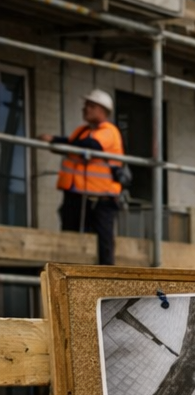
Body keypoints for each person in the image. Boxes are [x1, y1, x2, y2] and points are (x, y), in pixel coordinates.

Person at [49, 88, 123, 265]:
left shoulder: (109, 131)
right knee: (70, 238)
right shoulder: (81, 131)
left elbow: (91, 145)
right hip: (77, 195)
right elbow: (73, 143)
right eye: (85, 105)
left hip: (101, 198)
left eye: (91, 106)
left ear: (102, 111)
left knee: (103, 243)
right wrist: (55, 140)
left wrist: (57, 140)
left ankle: (106, 277)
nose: (85, 109)